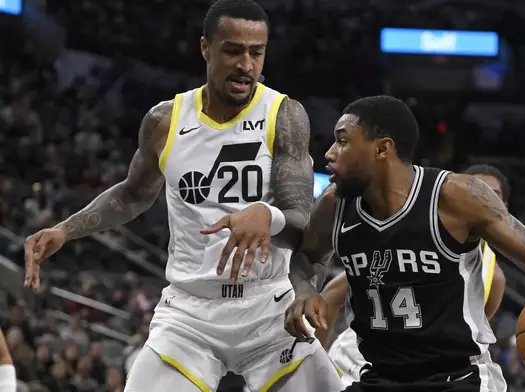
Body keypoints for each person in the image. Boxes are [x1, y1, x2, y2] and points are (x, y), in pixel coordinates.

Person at [23, 1, 343, 391]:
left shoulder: (284, 115)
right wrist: (65, 230)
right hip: (190, 310)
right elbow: (133, 194)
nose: (246, 65)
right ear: (206, 48)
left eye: (255, 53)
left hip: (268, 305)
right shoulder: (164, 121)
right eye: (233, 50)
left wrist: (267, 215)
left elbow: (302, 219)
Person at [284, 95, 525, 392]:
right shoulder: (334, 205)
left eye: (343, 141)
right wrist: (303, 289)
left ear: (382, 148)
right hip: (379, 376)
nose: (329, 153)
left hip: (457, 378)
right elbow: (307, 258)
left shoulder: (454, 197)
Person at [315, 165, 509, 386]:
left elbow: (468, 341)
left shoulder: (494, 278)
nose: (480, 199)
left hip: (422, 371)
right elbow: (331, 296)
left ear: (504, 207)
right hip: (359, 358)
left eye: (491, 194)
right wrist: (316, 366)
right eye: (474, 191)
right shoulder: (416, 239)